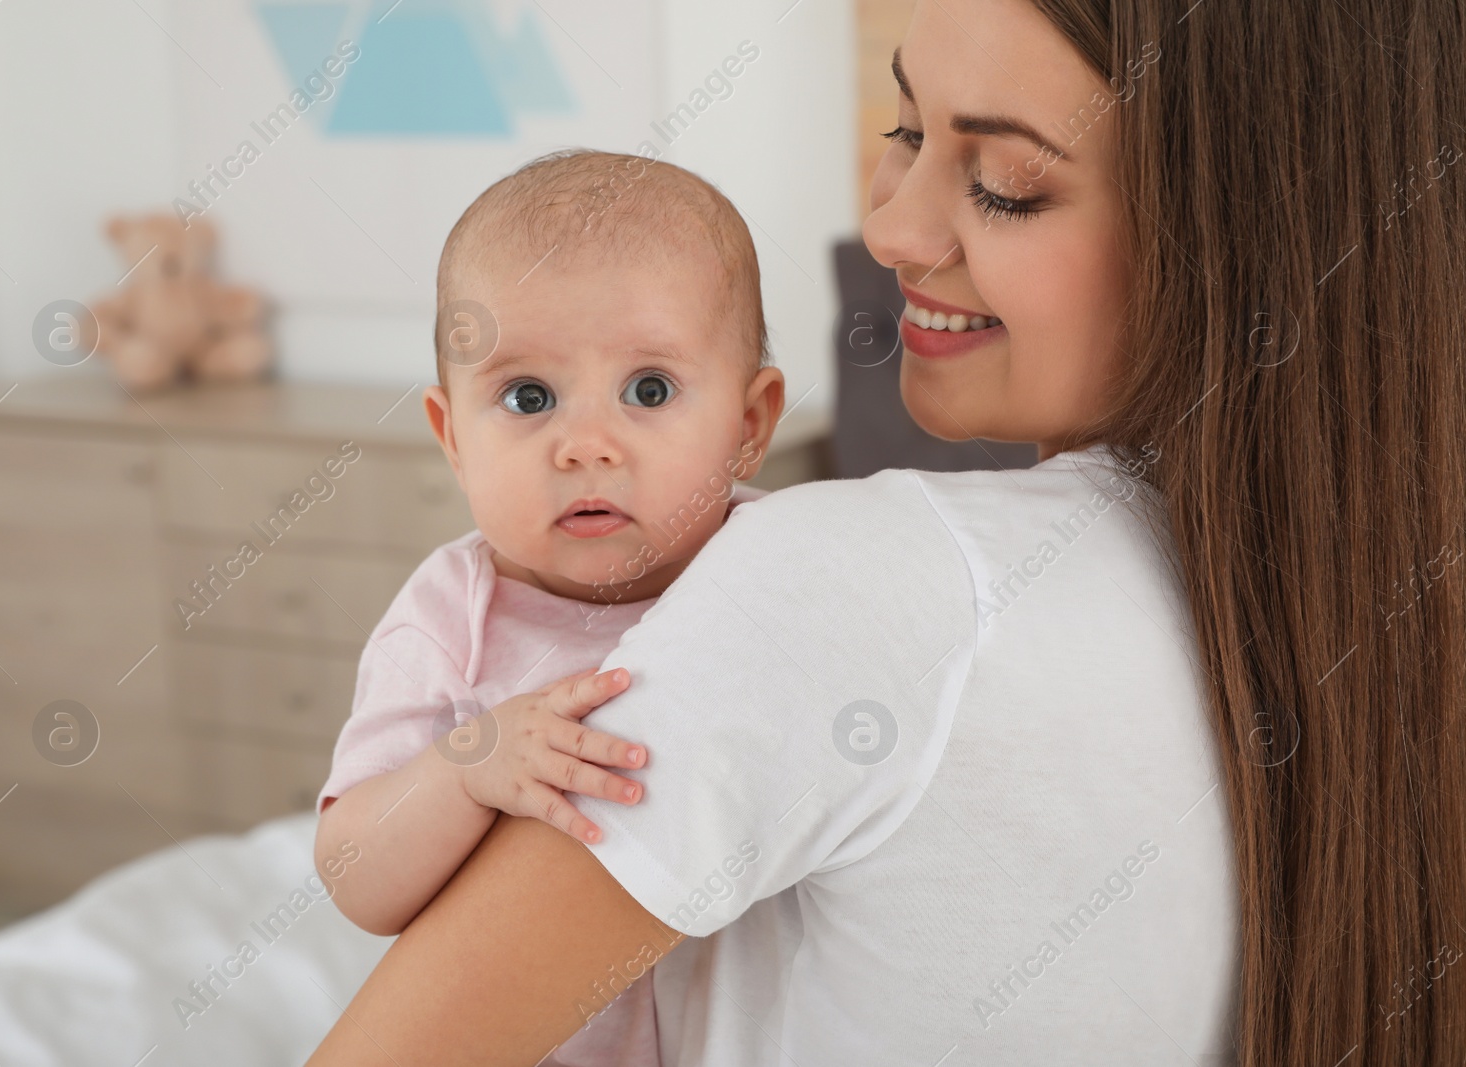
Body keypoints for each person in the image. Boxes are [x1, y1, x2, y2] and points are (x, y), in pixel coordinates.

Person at [308, 0, 1466, 1062]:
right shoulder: (1354, 602)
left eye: (1009, 183)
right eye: (903, 129)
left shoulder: (842, 577)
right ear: (445, 428)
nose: (892, 230)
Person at [311, 150, 785, 1067]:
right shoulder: (452, 620)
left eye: (650, 389)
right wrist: (466, 768)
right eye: (528, 397)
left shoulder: (785, 570)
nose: (586, 445)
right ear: (452, 437)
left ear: (750, 425)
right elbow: (354, 878)